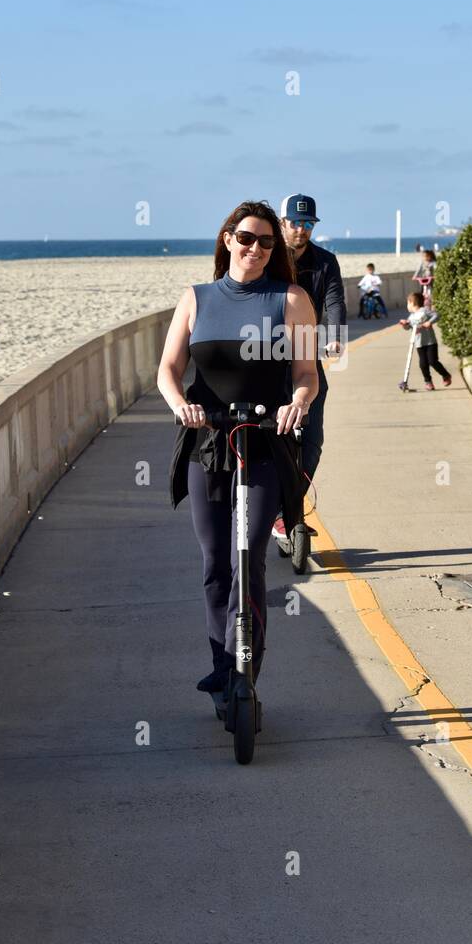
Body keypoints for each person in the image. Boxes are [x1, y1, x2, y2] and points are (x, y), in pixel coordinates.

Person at [158, 200, 319, 702]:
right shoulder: (196, 298)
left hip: (264, 444)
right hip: (208, 443)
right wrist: (182, 404)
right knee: (214, 564)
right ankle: (220, 666)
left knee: (247, 558)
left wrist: (299, 402)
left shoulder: (291, 299)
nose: (256, 248)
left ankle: (242, 672)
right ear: (227, 238)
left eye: (267, 242)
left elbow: (307, 374)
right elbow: (167, 369)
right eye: (246, 238)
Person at [274, 193, 347, 539]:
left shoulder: (325, 262)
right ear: (282, 222)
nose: (301, 230)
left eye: (308, 224)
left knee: (313, 440)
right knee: (272, 437)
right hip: (267, 357)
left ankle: (286, 509)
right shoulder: (268, 256)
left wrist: (334, 335)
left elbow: (334, 300)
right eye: (295, 223)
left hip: (306, 355)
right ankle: (269, 507)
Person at [400, 290, 451, 390]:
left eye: (408, 303)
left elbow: (437, 315)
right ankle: (428, 382)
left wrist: (429, 322)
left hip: (430, 342)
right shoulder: (411, 317)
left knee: (433, 361)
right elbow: (408, 327)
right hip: (419, 343)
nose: (407, 306)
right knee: (423, 364)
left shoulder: (425, 310)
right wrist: (405, 324)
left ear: (412, 303)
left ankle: (446, 375)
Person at [412, 247, 436, 311]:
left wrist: (435, 276)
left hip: (431, 279)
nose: (424, 258)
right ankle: (422, 302)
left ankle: (432, 303)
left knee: (432, 290)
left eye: (425, 256)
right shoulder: (422, 263)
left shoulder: (433, 263)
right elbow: (418, 270)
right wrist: (415, 276)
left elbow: (436, 269)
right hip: (424, 279)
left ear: (430, 256)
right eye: (423, 256)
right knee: (422, 291)